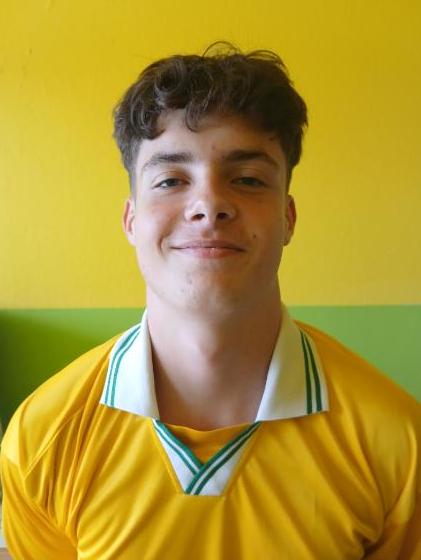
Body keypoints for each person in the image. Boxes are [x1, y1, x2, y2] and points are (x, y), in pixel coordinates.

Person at [1, 43, 421, 559]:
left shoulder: (396, 440)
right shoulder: (42, 437)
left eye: (247, 179)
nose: (209, 204)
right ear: (131, 220)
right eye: (170, 180)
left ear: (288, 218)